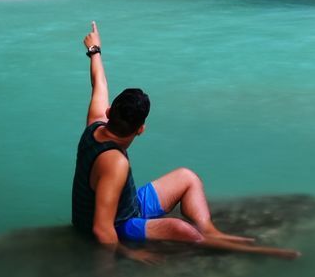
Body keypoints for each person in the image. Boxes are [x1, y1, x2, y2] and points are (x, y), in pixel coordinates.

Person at [71, 21, 300, 263]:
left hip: (127, 206)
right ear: (141, 129)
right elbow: (101, 228)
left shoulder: (95, 123)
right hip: (119, 224)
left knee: (187, 178)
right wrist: (130, 254)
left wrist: (94, 50)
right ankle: (253, 252)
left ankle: (211, 231)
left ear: (108, 112)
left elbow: (100, 83)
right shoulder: (114, 163)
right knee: (181, 230)